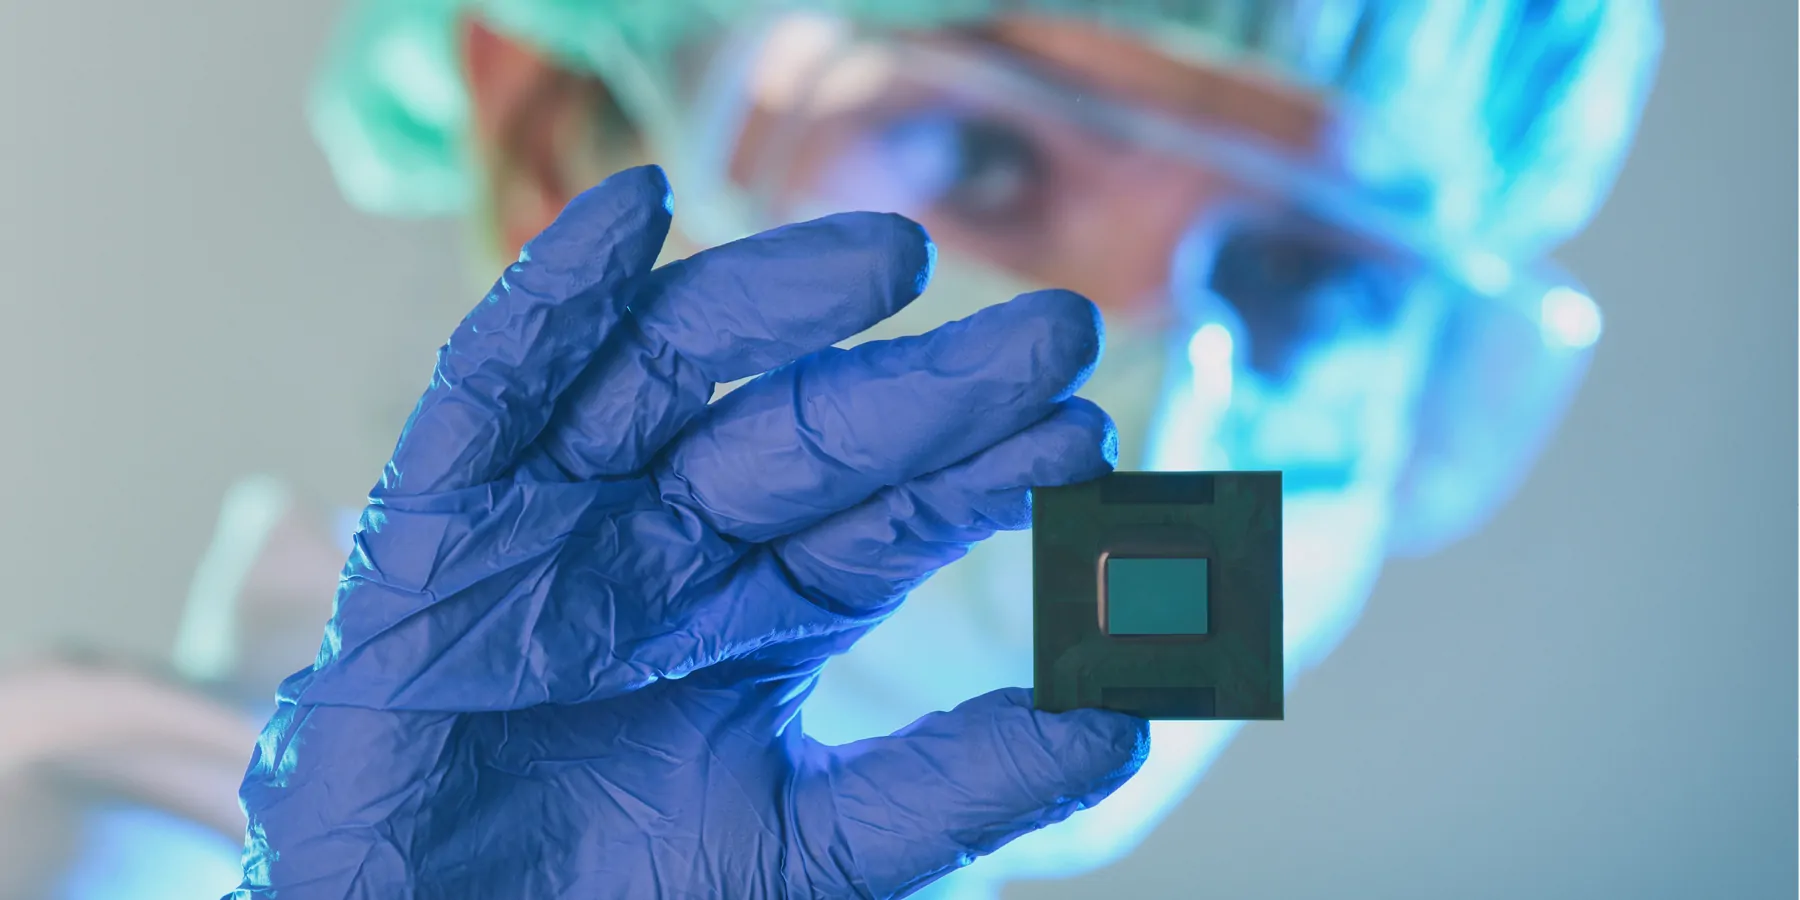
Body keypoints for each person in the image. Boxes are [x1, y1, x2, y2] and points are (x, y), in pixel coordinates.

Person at [8, 2, 1664, 898]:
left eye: (1307, 280)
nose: (1156, 407)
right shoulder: (75, 840)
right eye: (988, 157)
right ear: (556, 144)